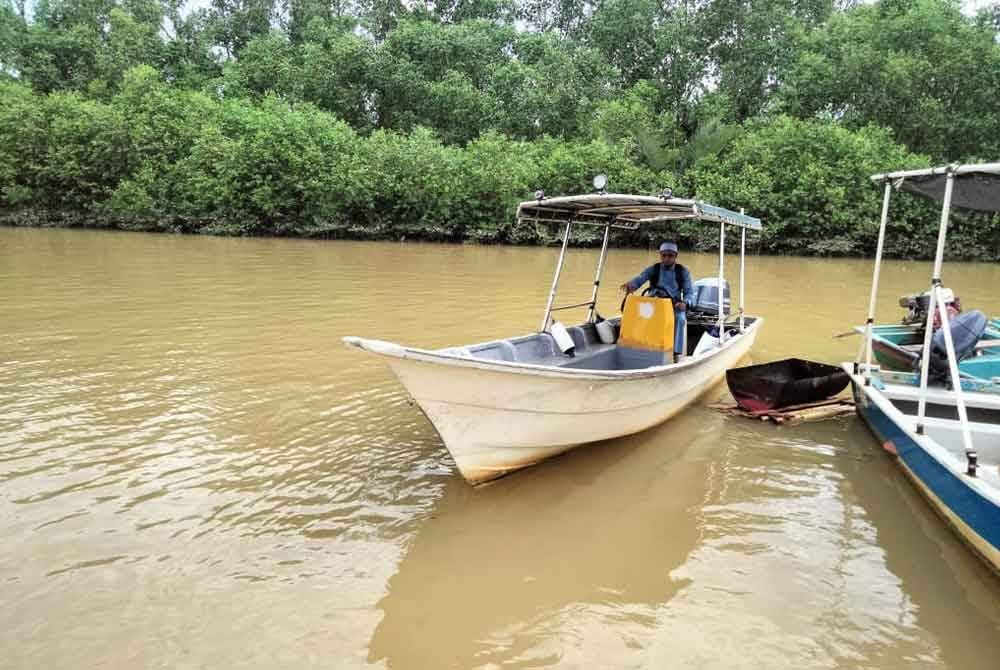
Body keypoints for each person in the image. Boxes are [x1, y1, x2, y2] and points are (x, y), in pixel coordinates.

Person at [619, 241, 695, 360]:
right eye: (664, 255)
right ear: (660, 255)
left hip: (673, 305)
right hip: (653, 303)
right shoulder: (653, 269)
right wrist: (631, 285)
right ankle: (637, 347)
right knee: (637, 315)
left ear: (676, 256)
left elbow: (689, 292)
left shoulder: (683, 272)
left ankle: (676, 354)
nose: (666, 259)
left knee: (680, 319)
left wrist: (685, 303)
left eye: (670, 256)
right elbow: (640, 279)